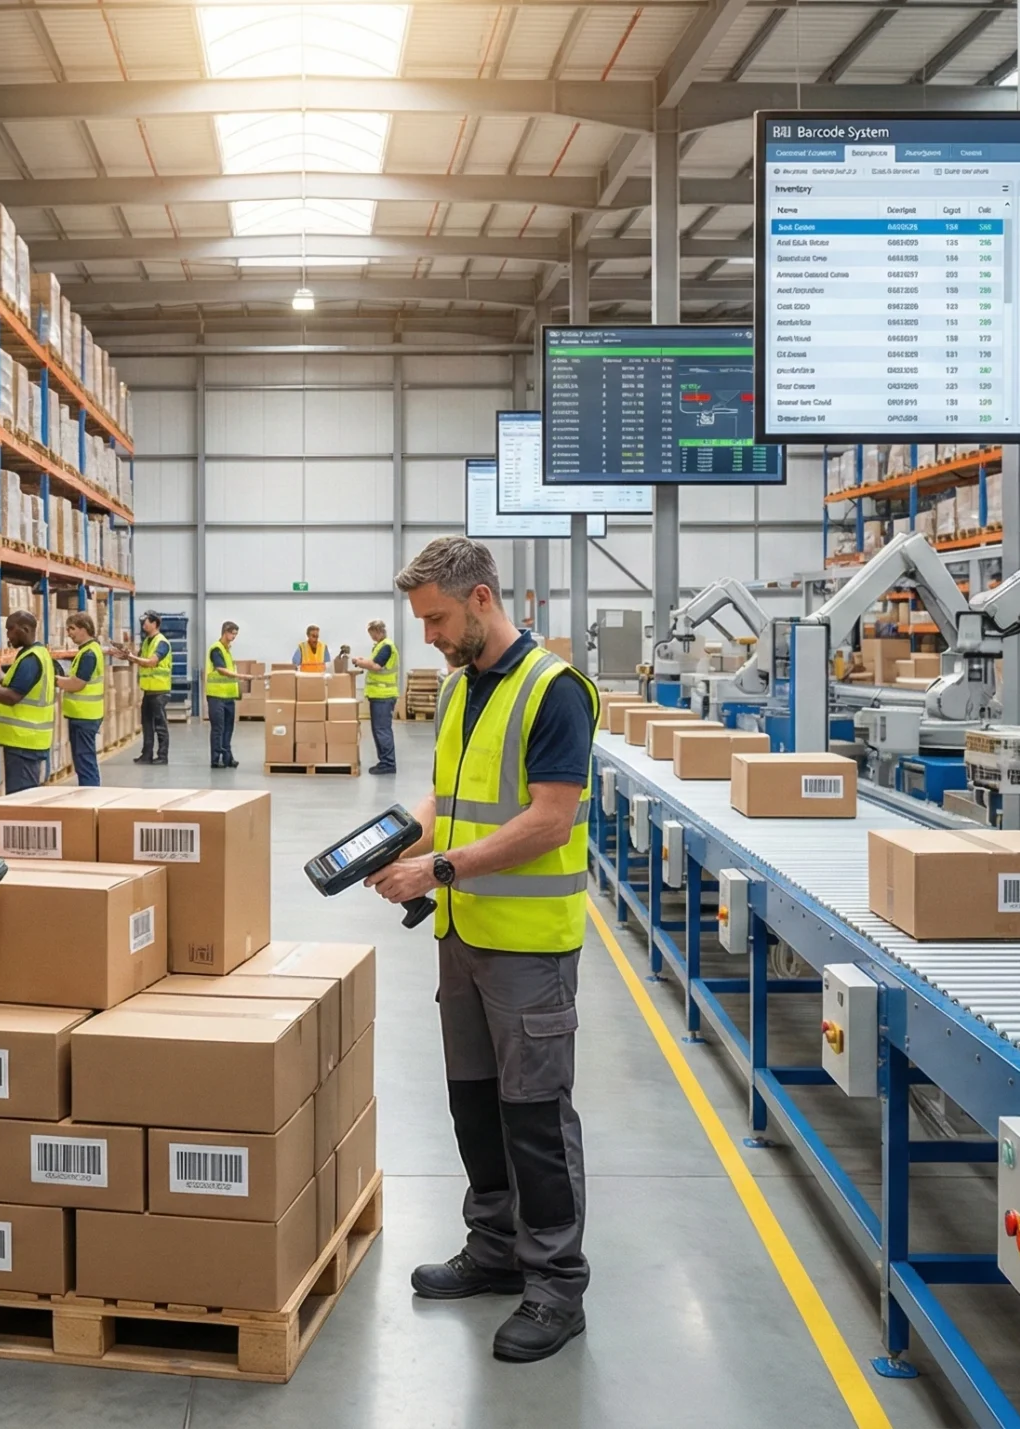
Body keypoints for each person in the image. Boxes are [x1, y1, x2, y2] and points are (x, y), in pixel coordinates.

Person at [365, 534, 597, 1366]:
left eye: (435, 618)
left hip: (528, 949)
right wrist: (397, 840)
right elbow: (448, 794)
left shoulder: (555, 690)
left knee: (535, 1117)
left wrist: (441, 865)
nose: (426, 635)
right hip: (461, 935)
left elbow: (549, 819)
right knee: (472, 1104)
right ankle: (494, 1248)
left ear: (483, 600)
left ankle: (556, 1285)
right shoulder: (465, 687)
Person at [0, 610, 55, 792]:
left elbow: (12, 697)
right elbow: (10, 681)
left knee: (21, 800)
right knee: (23, 798)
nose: (8, 635)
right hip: (26, 742)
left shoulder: (31, 660)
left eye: (10, 629)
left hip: (23, 743)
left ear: (24, 629)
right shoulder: (35, 653)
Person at [58, 611, 107, 786]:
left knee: (85, 761)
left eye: (72, 629)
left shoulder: (89, 654)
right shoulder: (88, 650)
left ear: (84, 629)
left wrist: (53, 679)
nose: (69, 633)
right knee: (83, 760)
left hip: (84, 716)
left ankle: (91, 798)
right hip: (83, 715)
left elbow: (77, 684)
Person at [350, 618, 400, 775]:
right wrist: (363, 661)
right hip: (379, 695)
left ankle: (388, 763)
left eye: (372, 633)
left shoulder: (386, 646)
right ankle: (384, 761)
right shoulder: (380, 646)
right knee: (378, 729)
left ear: (378, 631)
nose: (371, 637)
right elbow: (373, 662)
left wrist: (359, 662)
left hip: (383, 695)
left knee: (382, 730)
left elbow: (376, 666)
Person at [128, 612, 172, 764]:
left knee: (160, 725)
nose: (143, 624)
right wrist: (125, 655)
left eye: (146, 622)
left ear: (154, 623)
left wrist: (133, 658)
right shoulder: (147, 641)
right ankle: (146, 755)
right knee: (147, 724)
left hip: (159, 691)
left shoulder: (162, 643)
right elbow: (140, 659)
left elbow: (152, 662)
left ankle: (162, 756)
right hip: (148, 690)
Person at [203, 620, 243, 769]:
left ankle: (227, 758)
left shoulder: (227, 650)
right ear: (225, 632)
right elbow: (220, 669)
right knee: (218, 728)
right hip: (216, 696)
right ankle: (216, 759)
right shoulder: (216, 649)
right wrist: (241, 676)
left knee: (228, 728)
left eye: (235, 634)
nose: (234, 637)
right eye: (232, 634)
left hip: (228, 697)